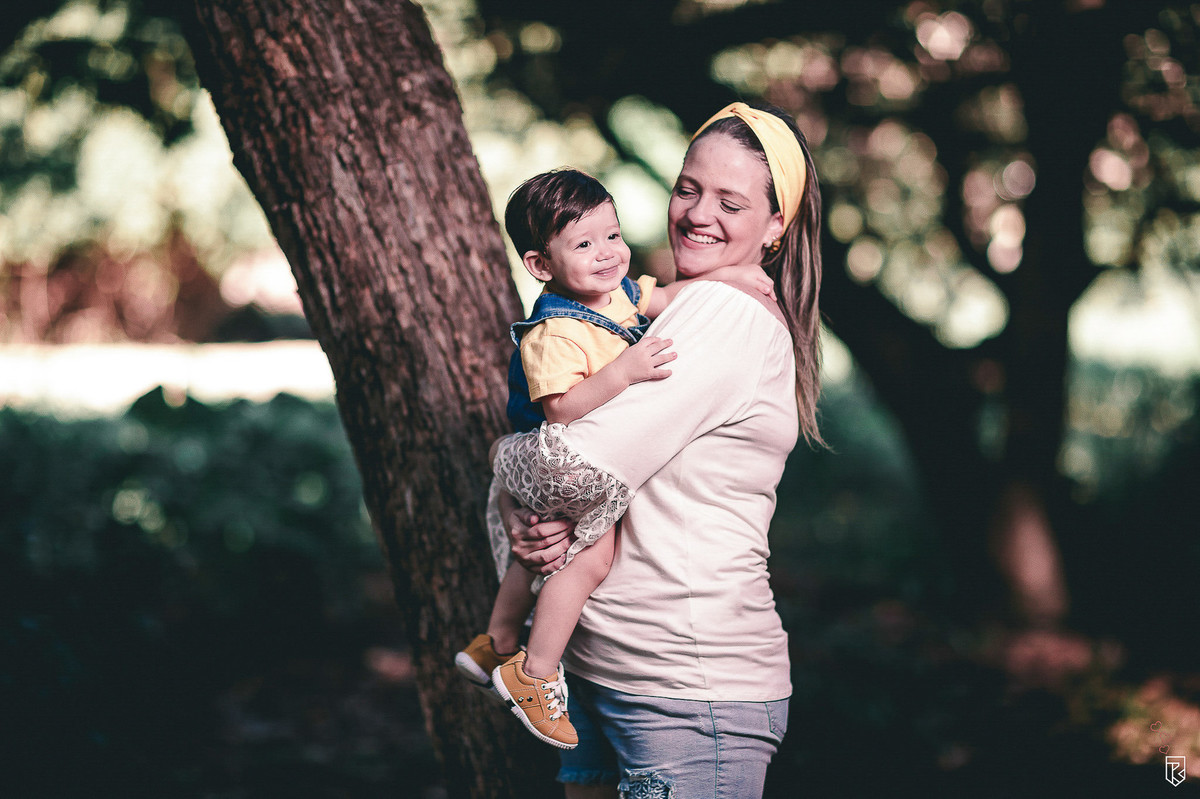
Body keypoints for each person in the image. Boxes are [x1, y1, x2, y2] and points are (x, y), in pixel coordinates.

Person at [489, 101, 824, 798]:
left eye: (731, 202)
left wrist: (513, 474)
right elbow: (572, 465)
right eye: (688, 188)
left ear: (775, 227)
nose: (698, 213)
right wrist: (529, 513)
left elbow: (569, 465)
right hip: (611, 673)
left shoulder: (721, 316)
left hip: (683, 690)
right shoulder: (667, 307)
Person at [455, 168, 766, 749]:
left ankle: (496, 642)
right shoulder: (554, 330)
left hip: (556, 462)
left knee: (539, 548)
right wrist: (625, 371)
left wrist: (737, 275)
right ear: (540, 266)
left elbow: (673, 296)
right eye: (583, 243)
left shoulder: (620, 294)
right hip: (550, 452)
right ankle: (535, 672)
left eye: (613, 235)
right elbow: (561, 408)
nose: (607, 254)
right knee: (588, 556)